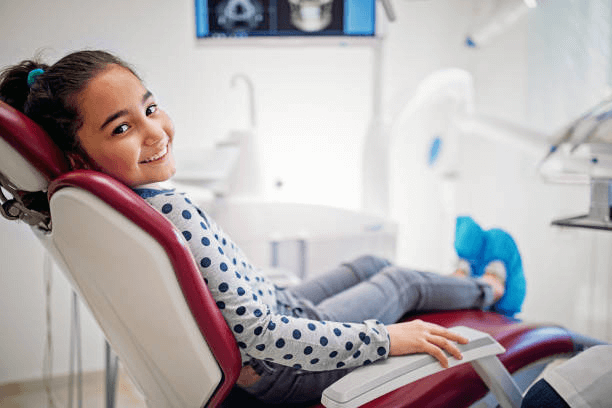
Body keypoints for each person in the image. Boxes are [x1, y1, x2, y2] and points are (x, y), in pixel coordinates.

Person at [0, 50, 525, 405]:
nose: (154, 132)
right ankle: (490, 288)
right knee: (399, 284)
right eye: (122, 128)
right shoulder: (165, 214)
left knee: (368, 264)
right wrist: (390, 338)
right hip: (283, 366)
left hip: (276, 315)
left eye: (149, 108)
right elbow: (267, 338)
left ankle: (459, 275)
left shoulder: (112, 212)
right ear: (78, 154)